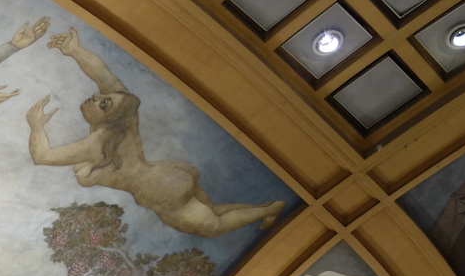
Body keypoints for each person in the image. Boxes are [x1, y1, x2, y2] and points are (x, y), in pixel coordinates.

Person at [26, 29, 284, 238]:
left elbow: (42, 156)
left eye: (103, 103)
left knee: (212, 227)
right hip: (171, 171)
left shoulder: (96, 144)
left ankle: (269, 210)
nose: (95, 96)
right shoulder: (123, 120)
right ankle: (264, 209)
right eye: (102, 98)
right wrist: (75, 50)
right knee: (211, 210)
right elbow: (102, 74)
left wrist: (36, 126)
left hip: (162, 193)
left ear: (109, 116)